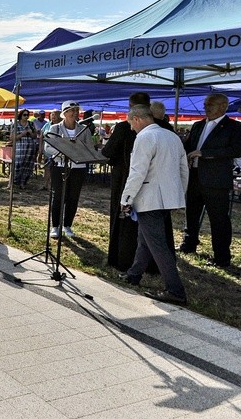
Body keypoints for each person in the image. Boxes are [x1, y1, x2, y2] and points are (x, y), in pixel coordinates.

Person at [119, 105, 189, 304]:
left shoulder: (144, 137)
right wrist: (178, 194)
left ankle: (176, 291)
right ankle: (134, 274)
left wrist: (126, 199)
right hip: (166, 198)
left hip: (150, 199)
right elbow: (184, 169)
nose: (131, 128)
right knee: (146, 239)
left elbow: (137, 172)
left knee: (157, 245)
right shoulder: (172, 136)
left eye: (131, 123)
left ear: (138, 119)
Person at [181, 93, 241, 267]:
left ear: (223, 106)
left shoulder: (236, 127)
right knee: (191, 214)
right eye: (205, 104)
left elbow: (237, 150)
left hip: (216, 181)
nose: (206, 108)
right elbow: (188, 147)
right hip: (195, 176)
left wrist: (205, 154)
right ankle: (189, 244)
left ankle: (221, 257)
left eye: (210, 105)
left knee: (219, 220)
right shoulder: (197, 125)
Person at [102, 92, 150, 270]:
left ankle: (122, 259)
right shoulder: (162, 126)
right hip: (150, 183)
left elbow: (108, 152)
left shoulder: (124, 127)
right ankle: (150, 263)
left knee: (125, 219)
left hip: (125, 179)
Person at [44, 100, 95, 238]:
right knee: (58, 196)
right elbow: (47, 147)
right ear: (65, 113)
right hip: (60, 166)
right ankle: (55, 226)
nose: (75, 113)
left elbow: (90, 148)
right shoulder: (55, 128)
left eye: (77, 111)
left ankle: (67, 225)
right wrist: (63, 151)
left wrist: (78, 151)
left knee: (73, 197)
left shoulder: (83, 129)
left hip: (78, 168)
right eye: (72, 111)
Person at [11, 109, 37, 190]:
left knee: (27, 165)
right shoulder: (16, 124)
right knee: (18, 164)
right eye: (24, 115)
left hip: (30, 147)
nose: (26, 117)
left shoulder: (31, 124)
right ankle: (14, 181)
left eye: (27, 115)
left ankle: (23, 183)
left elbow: (35, 136)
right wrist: (23, 134)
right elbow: (12, 138)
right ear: (20, 115)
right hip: (20, 147)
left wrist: (30, 133)